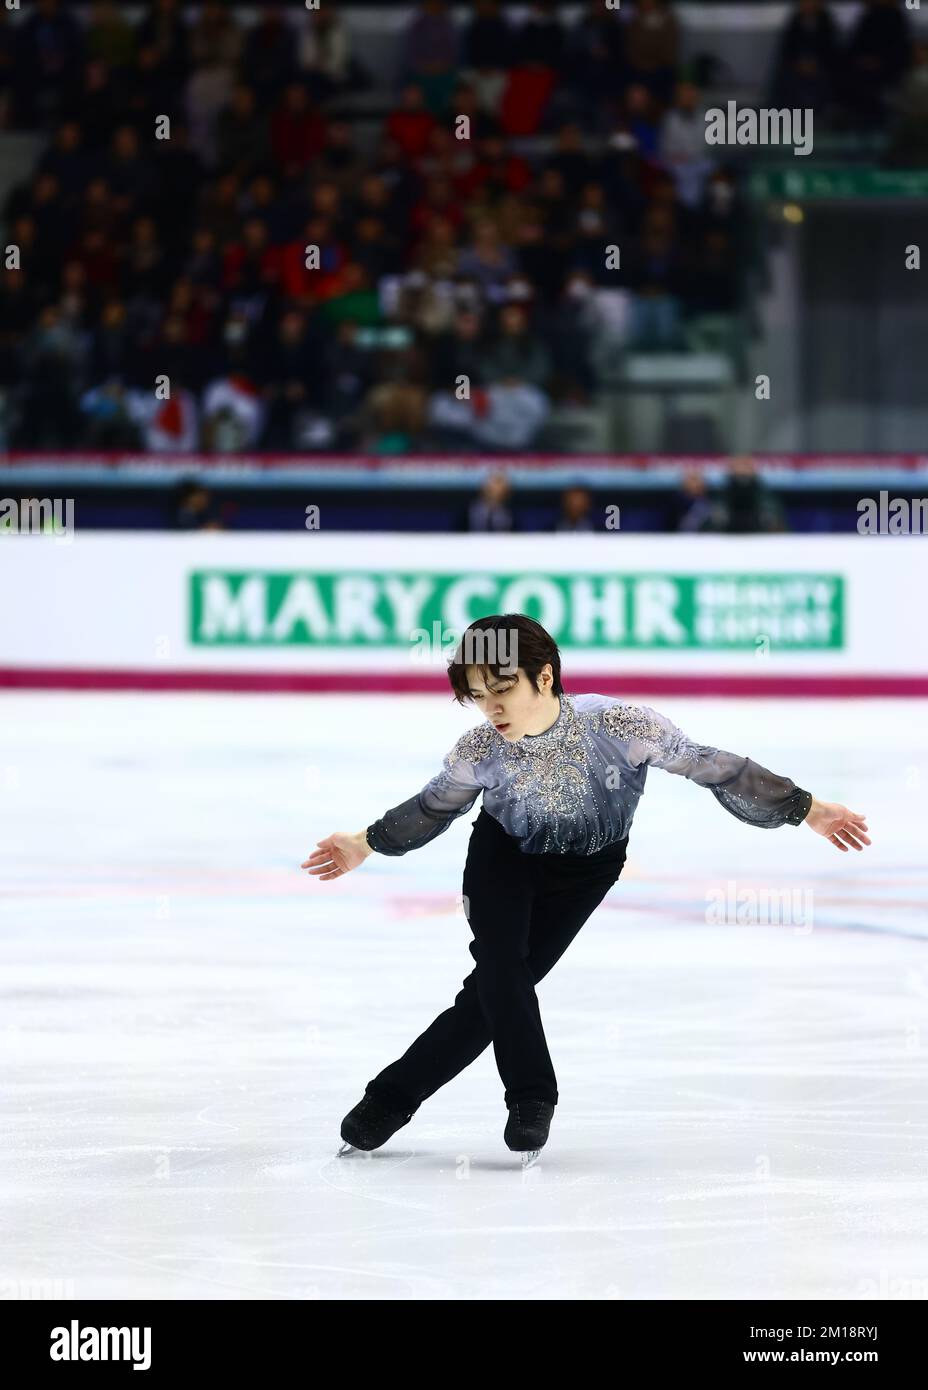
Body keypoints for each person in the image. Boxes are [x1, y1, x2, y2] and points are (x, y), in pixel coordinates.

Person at [303, 614, 871, 1161]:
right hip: (503, 856)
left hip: (588, 870)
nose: (492, 706)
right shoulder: (479, 751)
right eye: (479, 694)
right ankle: (530, 1098)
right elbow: (432, 808)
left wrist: (806, 807)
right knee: (501, 963)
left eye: (503, 686)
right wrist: (365, 841)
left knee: (494, 994)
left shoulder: (621, 726)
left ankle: (389, 1097)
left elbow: (714, 766)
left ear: (544, 675)